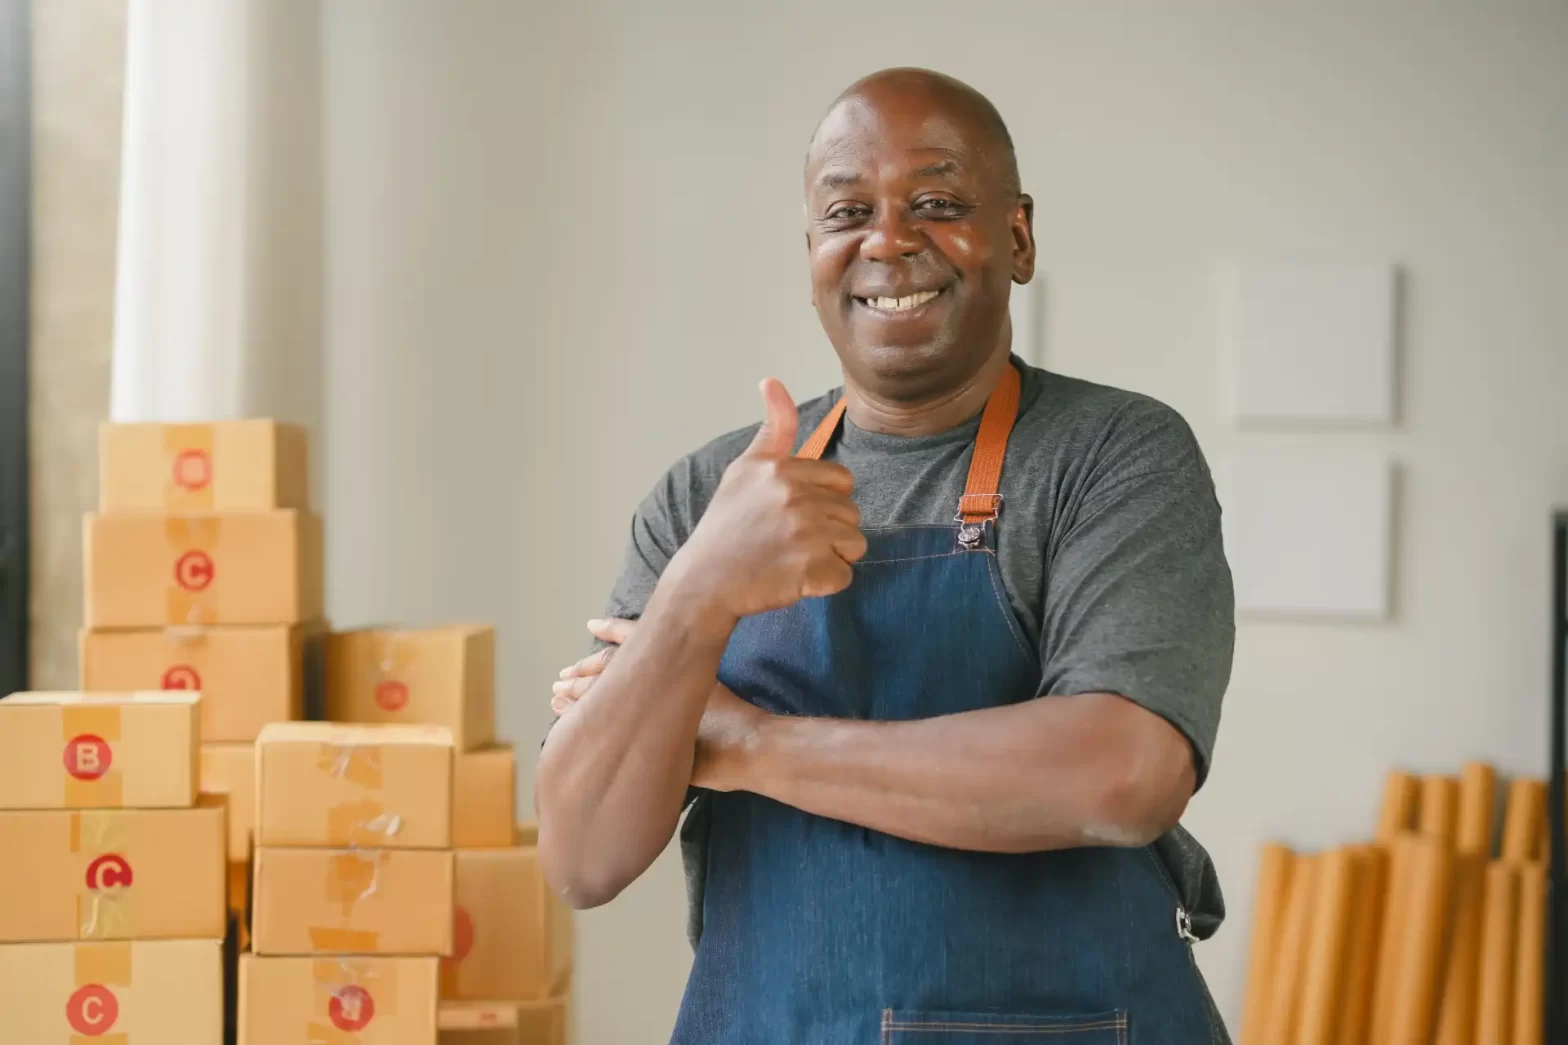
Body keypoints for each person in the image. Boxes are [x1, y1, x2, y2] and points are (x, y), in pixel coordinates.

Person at [537, 67, 1235, 1044]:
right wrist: (695, 593)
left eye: (938, 203)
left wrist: (743, 745)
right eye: (846, 211)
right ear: (814, 250)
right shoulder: (708, 495)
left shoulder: (1109, 455)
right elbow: (582, 857)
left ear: (1018, 237)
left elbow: (1120, 775)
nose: (888, 240)